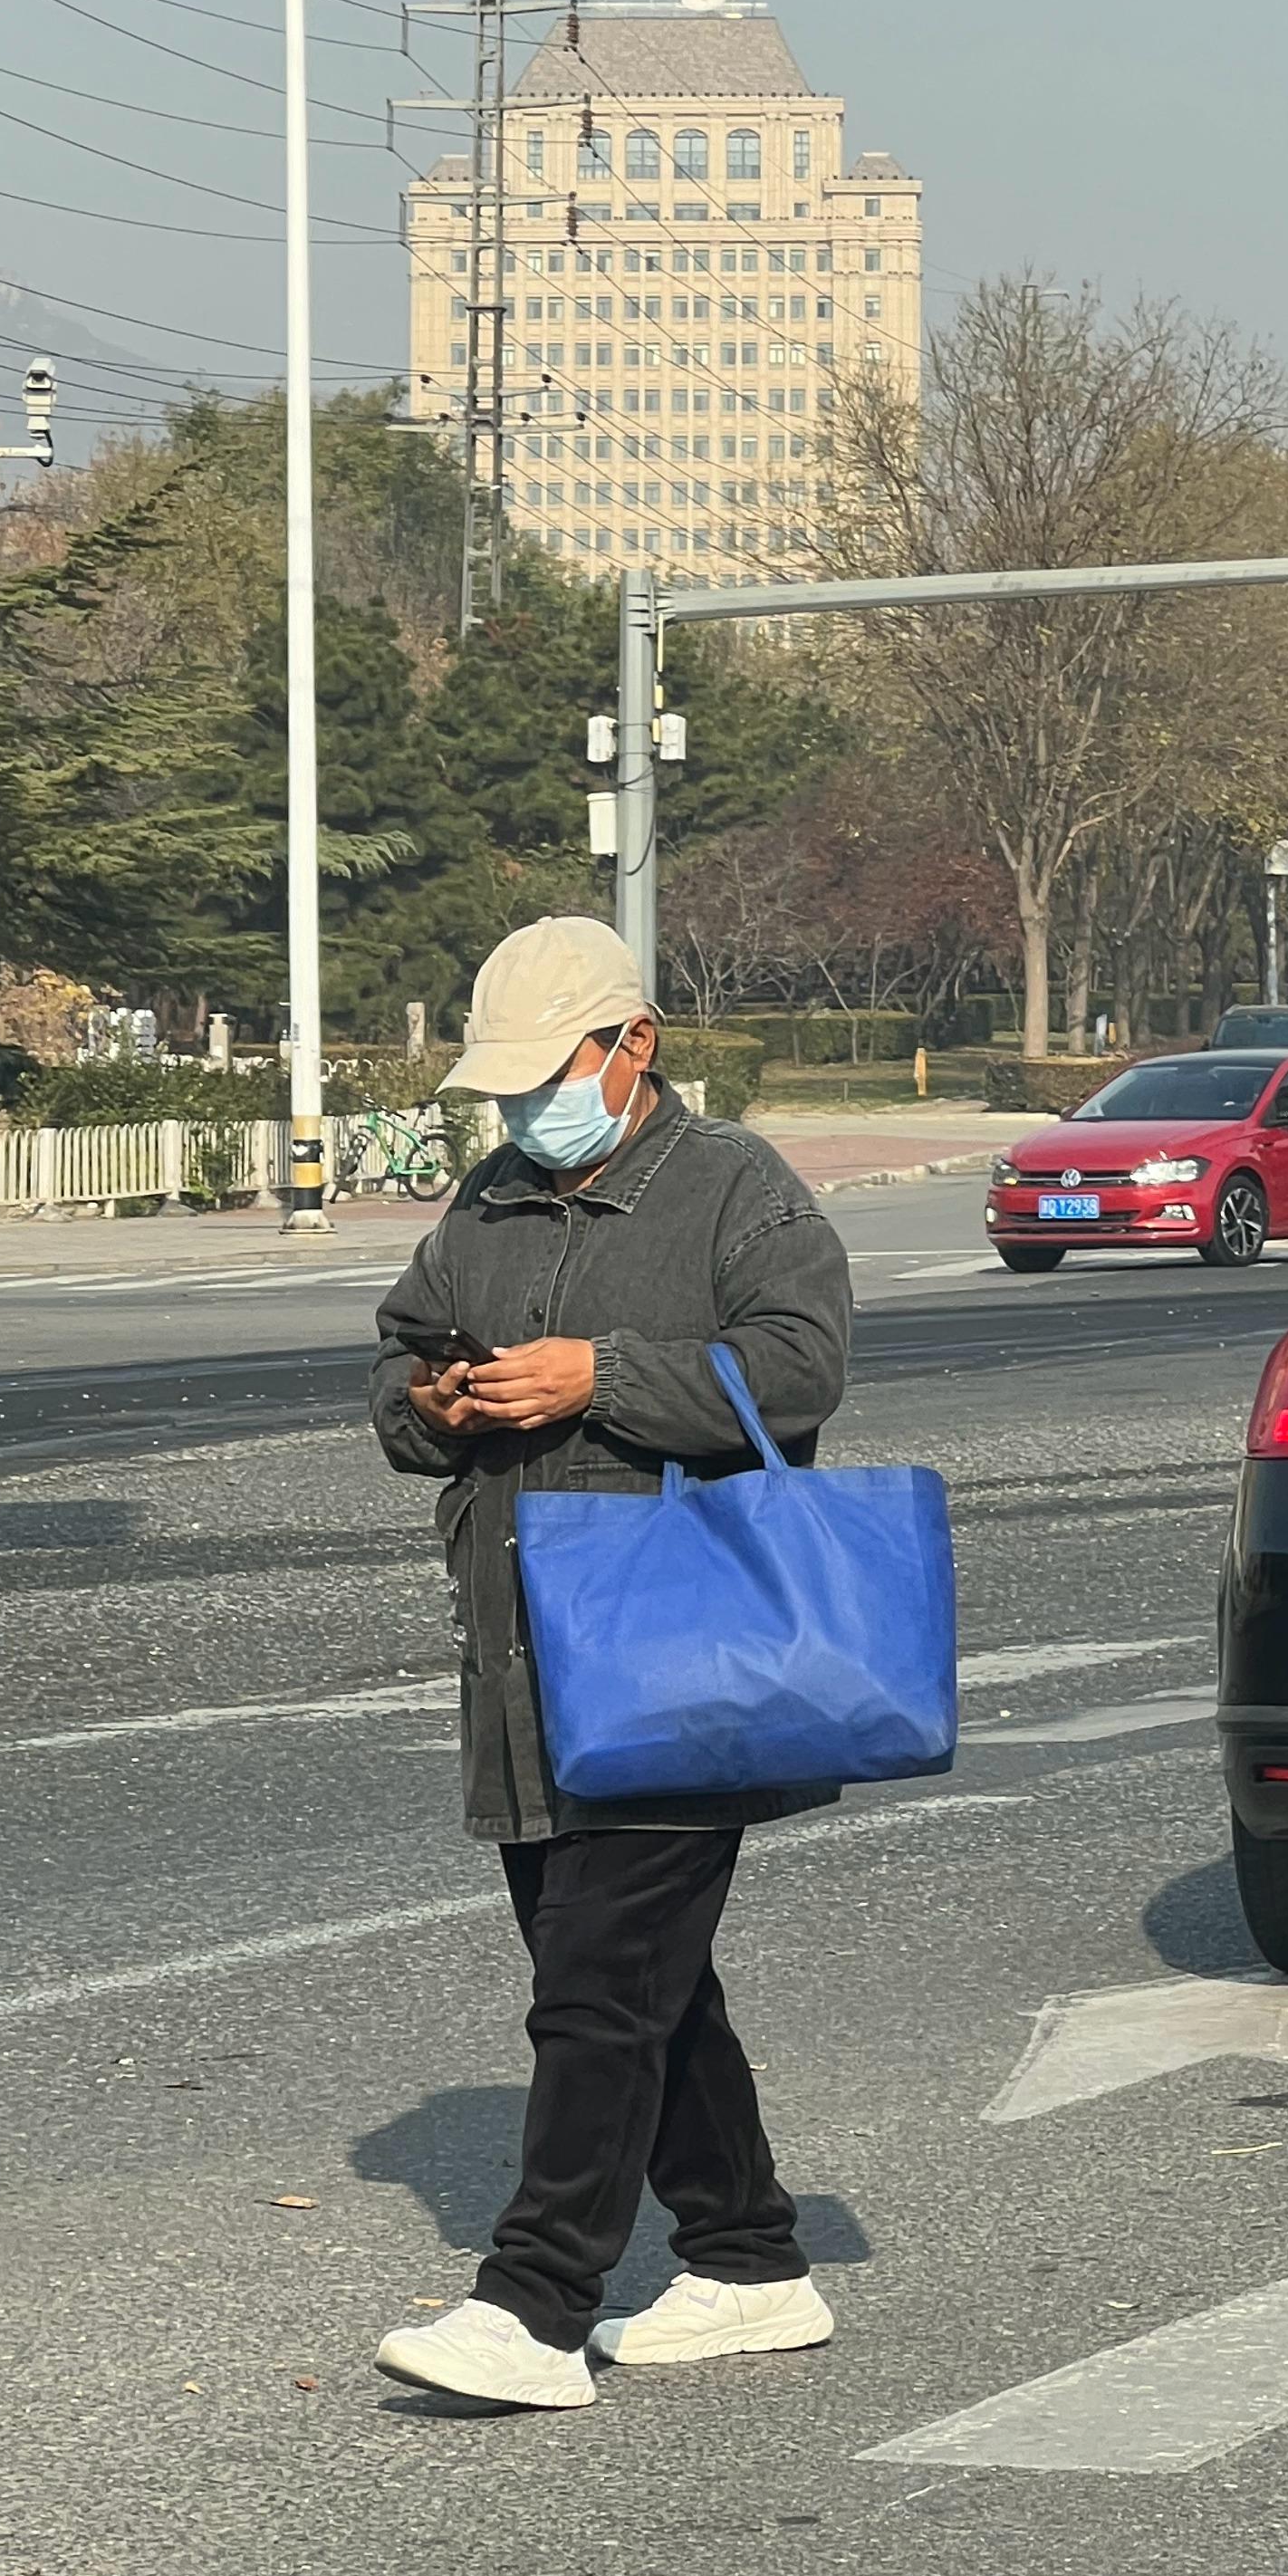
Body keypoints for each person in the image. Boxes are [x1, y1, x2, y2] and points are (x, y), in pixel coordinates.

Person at [367, 915, 855, 2415]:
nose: (522, 1112)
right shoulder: (489, 1199)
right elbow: (394, 1367)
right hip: (522, 1651)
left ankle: (535, 2297)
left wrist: (602, 1377)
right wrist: (439, 1402)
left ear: (632, 1044)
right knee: (639, 1977)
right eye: (504, 1089)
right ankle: (747, 2258)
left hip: (680, 1644)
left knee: (595, 1981)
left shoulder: (729, 1191)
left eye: (544, 1076)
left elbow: (800, 1366)